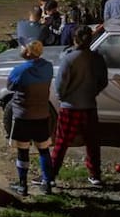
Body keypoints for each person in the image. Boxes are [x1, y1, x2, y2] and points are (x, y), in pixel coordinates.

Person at [50, 26, 110, 187]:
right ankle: (95, 175)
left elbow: (60, 85)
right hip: (89, 106)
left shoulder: (69, 59)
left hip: (70, 106)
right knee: (92, 142)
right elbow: (103, 81)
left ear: (74, 39)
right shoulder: (97, 59)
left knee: (61, 142)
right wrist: (93, 92)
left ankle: (50, 175)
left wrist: (63, 98)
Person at [7, 39, 55, 195]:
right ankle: (47, 182)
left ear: (27, 52)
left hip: (23, 115)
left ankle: (22, 185)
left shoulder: (19, 70)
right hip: (42, 114)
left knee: (23, 151)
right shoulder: (48, 67)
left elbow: (10, 86)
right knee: (43, 149)